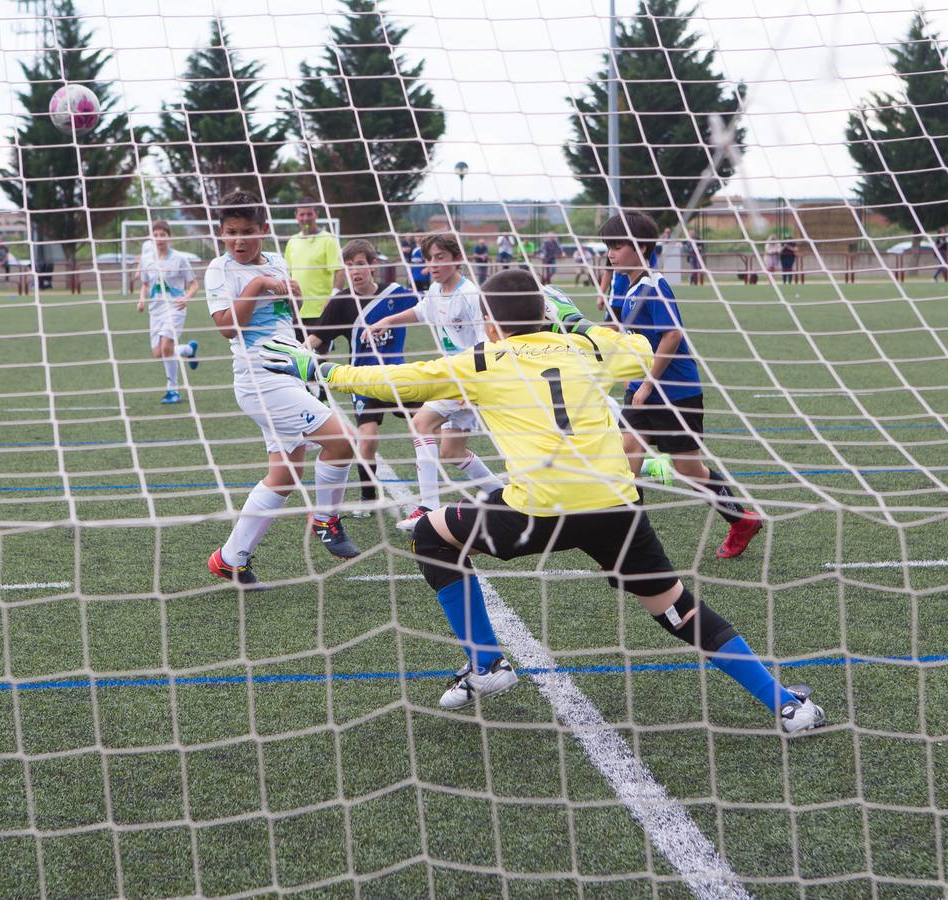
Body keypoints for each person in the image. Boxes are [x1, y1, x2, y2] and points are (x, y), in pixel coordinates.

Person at [256, 270, 825, 731]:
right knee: (676, 610)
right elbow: (638, 345)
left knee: (430, 533)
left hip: (537, 512)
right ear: (545, 314)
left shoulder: (483, 360)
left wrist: (322, 367)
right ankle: (786, 705)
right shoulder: (587, 348)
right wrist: (578, 323)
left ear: (492, 323)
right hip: (614, 508)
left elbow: (399, 381)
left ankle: (485, 663)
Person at [203, 189, 363, 587]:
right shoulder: (219, 270)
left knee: (286, 475)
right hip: (260, 379)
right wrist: (258, 285)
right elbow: (226, 327)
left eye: (248, 231)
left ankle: (229, 558)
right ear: (221, 232)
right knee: (343, 441)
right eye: (231, 232)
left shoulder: (276, 258)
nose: (239, 240)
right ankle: (326, 519)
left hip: (287, 371)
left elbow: (289, 306)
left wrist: (289, 290)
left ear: (265, 229)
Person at [602, 211, 764, 559]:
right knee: (626, 459)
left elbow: (672, 335)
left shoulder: (655, 285)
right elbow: (614, 326)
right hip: (639, 388)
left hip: (676, 393)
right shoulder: (620, 282)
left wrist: (646, 384)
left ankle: (741, 520)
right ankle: (633, 545)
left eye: (617, 246)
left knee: (687, 469)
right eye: (608, 246)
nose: (610, 253)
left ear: (642, 247)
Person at [366, 232, 503, 531]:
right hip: (456, 377)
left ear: (456, 258)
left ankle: (427, 508)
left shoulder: (470, 295)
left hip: (467, 378)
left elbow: (486, 341)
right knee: (452, 452)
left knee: (421, 424)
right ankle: (499, 495)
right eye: (429, 259)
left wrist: (472, 386)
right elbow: (419, 311)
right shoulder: (436, 291)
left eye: (440, 258)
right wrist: (386, 321)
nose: (433, 264)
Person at [304, 238, 420, 510]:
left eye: (359, 265)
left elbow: (429, 309)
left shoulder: (396, 294)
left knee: (424, 428)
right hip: (363, 381)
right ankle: (368, 499)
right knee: (367, 437)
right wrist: (297, 352)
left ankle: (427, 498)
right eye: (349, 266)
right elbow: (318, 337)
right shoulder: (342, 302)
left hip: (397, 377)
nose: (354, 271)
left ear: (373, 266)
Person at [137, 220, 200, 405]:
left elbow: (194, 284)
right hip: (155, 311)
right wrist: (141, 299)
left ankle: (173, 390)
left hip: (175, 308)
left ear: (169, 237)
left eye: (162, 235)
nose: (158, 239)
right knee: (158, 353)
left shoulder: (180, 259)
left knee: (166, 348)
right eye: (155, 235)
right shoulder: (147, 260)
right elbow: (146, 284)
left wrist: (186, 298)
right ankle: (188, 350)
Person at [282, 199, 343, 335]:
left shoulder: (329, 239)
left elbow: (339, 272)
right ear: (296, 216)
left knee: (320, 354)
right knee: (296, 353)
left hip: (320, 309)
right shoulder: (292, 241)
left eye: (309, 214)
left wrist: (332, 298)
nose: (305, 218)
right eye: (302, 214)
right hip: (296, 310)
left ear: (316, 215)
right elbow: (287, 274)